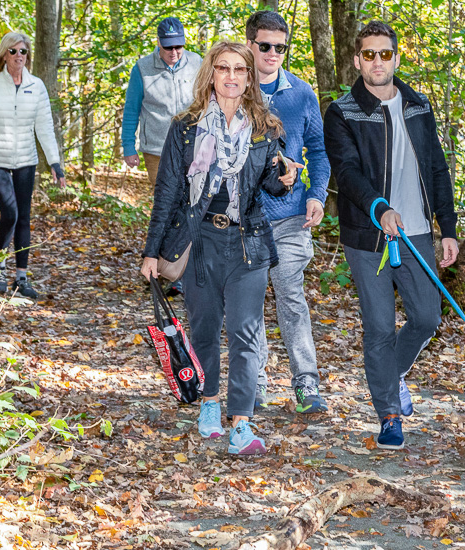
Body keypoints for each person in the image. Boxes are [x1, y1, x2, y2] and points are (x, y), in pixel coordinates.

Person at [140, 41, 298, 455]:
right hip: (200, 239)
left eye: (240, 70)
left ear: (249, 77)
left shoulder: (266, 128)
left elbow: (267, 183)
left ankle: (241, 423)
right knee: (206, 329)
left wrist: (286, 179)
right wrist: (151, 252)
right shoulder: (185, 127)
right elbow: (168, 192)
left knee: (246, 333)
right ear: (211, 73)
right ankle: (209, 403)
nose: (231, 76)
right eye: (223, 68)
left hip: (248, 244)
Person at [323, 21, 459, 450]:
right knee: (380, 326)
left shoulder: (418, 106)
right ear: (358, 59)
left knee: (426, 317)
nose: (377, 62)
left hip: (415, 231)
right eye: (369, 55)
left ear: (396, 57)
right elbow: (346, 172)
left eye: (385, 54)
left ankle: (392, 372)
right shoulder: (343, 112)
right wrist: (379, 207)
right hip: (368, 235)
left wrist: (448, 228)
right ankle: (388, 414)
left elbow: (437, 168)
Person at [245, 11, 331, 415]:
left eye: (281, 47)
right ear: (251, 45)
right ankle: (254, 383)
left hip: (290, 216)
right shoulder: (233, 88)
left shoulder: (301, 93)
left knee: (290, 293)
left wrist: (316, 193)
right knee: (249, 300)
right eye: (265, 46)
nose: (273, 54)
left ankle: (307, 385)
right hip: (243, 216)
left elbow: (319, 148)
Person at [0, 31, 66, 300]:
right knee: (9, 213)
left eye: (23, 51)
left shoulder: (36, 86)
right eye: (13, 51)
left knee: (24, 217)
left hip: (26, 159)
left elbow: (45, 127)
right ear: (4, 55)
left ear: (28, 56)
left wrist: (55, 162)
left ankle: (20, 278)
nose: (18, 56)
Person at [122, 16, 201, 188]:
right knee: (164, 204)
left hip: (193, 148)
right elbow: (131, 110)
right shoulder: (142, 69)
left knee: (192, 201)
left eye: (178, 46)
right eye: (168, 47)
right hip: (157, 151)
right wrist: (128, 146)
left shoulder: (197, 62)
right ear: (158, 42)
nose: (173, 52)